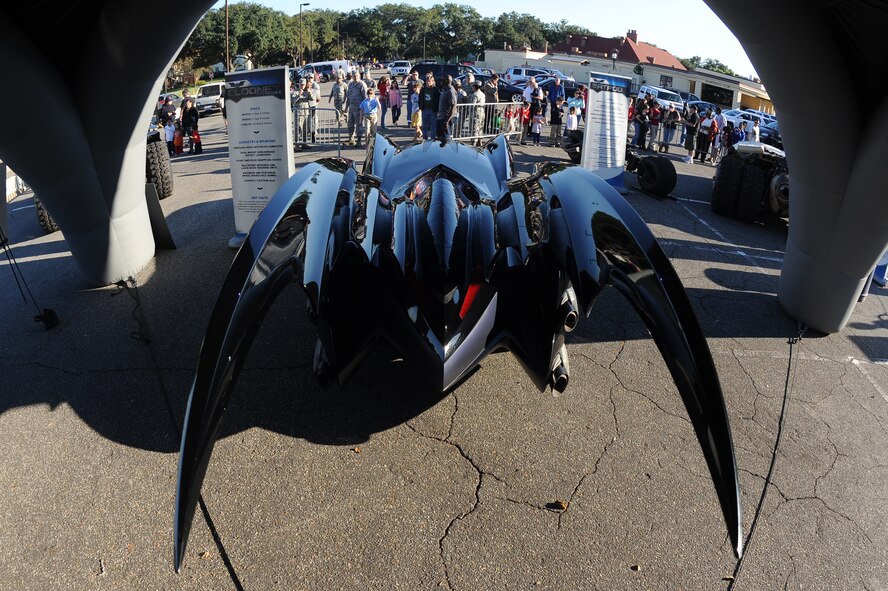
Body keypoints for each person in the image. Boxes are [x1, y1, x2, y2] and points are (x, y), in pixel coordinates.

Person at [345, 71, 367, 146]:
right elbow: (348, 97)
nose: (355, 77)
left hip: (359, 108)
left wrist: (364, 109)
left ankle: (359, 140)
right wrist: (346, 107)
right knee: (350, 124)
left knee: (359, 124)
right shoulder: (350, 84)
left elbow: (365, 97)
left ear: (359, 76)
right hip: (351, 107)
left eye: (357, 76)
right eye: (354, 76)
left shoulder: (362, 84)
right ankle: (351, 138)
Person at [436, 75, 458, 141]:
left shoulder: (451, 91)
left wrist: (447, 121)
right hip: (441, 117)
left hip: (446, 118)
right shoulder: (444, 90)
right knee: (439, 137)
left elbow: (453, 106)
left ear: (446, 81)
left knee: (446, 138)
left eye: (442, 80)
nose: (440, 82)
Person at [420, 74, 439, 140]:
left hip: (432, 110)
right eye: (427, 81)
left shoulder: (435, 90)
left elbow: (438, 100)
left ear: (433, 81)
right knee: (424, 125)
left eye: (430, 81)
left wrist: (436, 109)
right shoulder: (423, 89)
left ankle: (433, 138)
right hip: (425, 109)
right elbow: (420, 98)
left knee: (433, 126)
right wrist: (421, 107)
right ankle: (425, 138)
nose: (428, 82)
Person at [468, 80, 485, 146]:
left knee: (474, 127)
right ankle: (480, 141)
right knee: (480, 127)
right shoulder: (482, 94)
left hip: (476, 112)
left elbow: (473, 105)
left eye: (473, 86)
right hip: (482, 111)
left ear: (475, 87)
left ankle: (474, 142)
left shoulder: (475, 94)